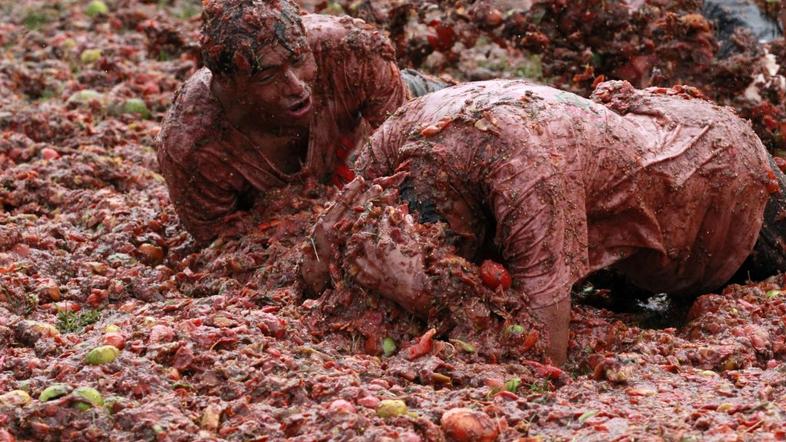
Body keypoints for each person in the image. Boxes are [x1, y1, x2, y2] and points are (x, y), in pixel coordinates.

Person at [302, 79, 783, 364]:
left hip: (717, 188)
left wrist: (419, 291)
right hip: (636, 136)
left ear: (475, 219)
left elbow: (546, 351)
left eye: (457, 255)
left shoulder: (525, 182)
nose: (462, 261)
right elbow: (310, 266)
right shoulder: (393, 142)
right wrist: (327, 248)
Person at [157, 0, 443, 244]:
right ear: (228, 85)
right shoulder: (193, 146)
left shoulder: (352, 51)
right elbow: (220, 245)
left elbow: (409, 160)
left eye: (298, 61)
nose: (295, 86)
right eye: (268, 76)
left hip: (401, 109)